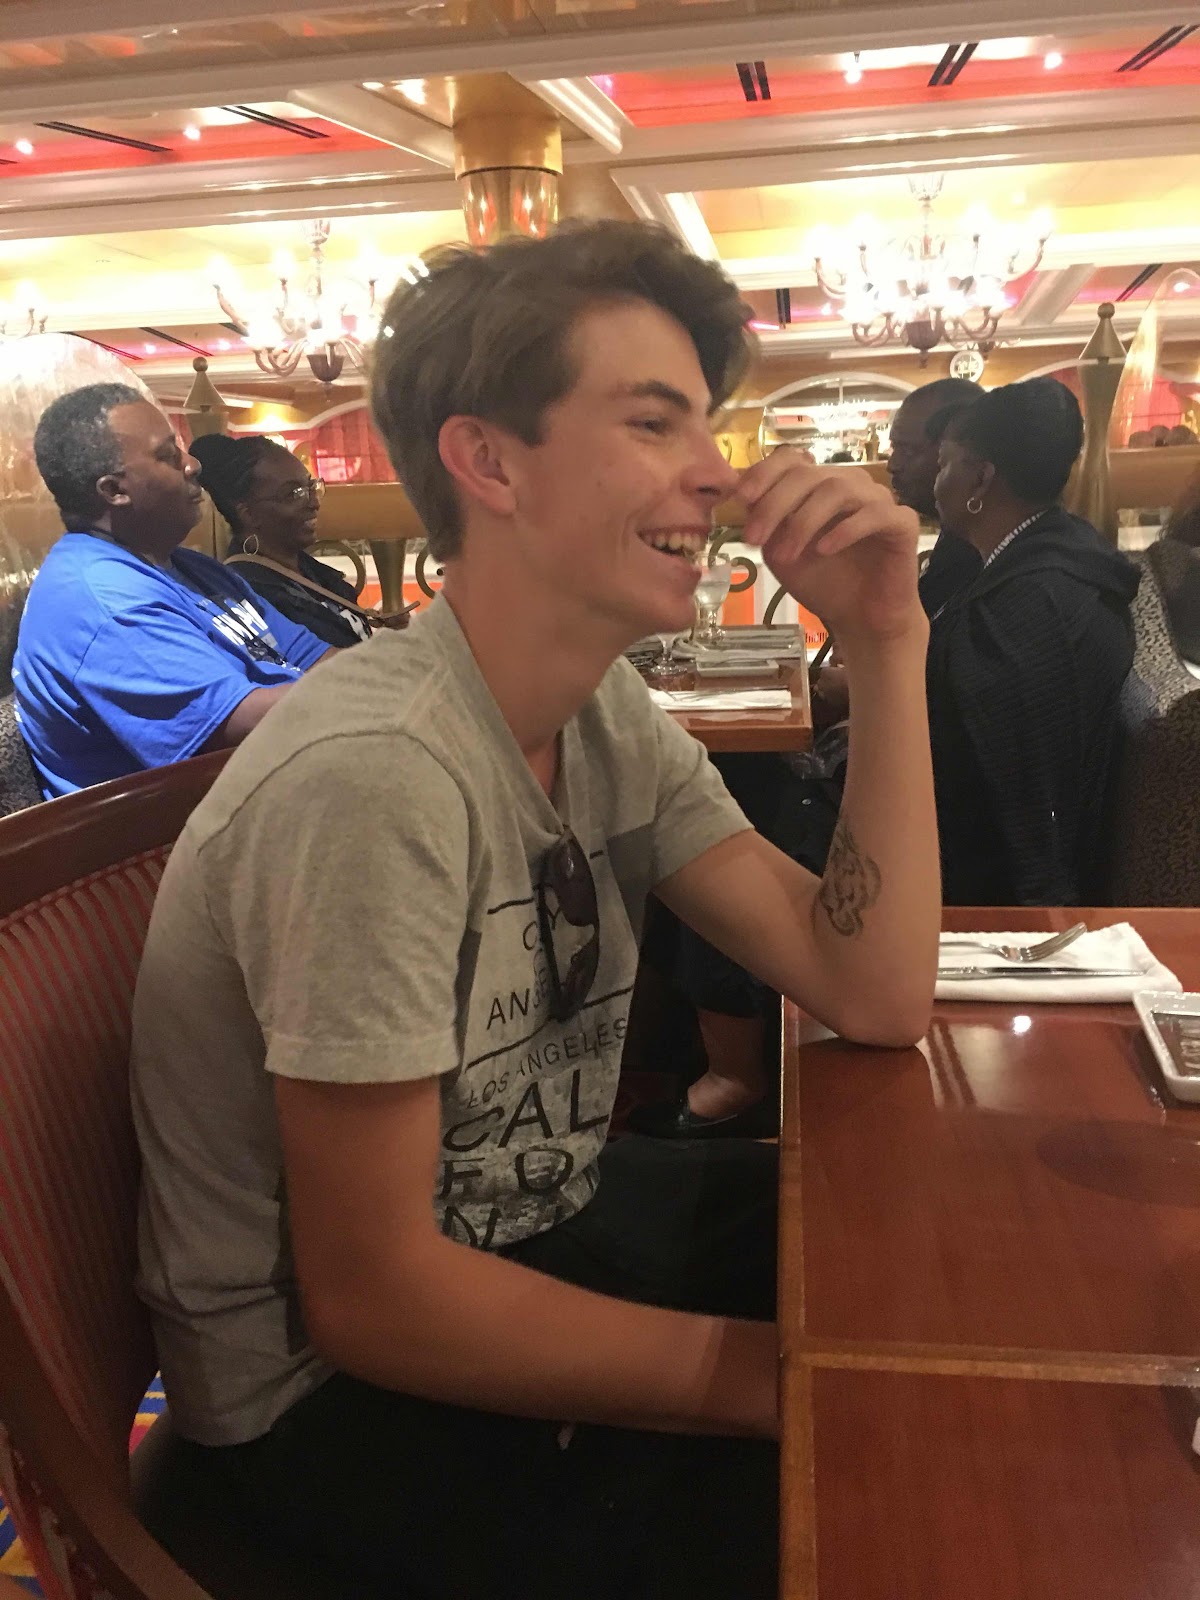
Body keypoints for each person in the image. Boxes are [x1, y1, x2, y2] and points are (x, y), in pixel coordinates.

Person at [130, 220, 939, 1600]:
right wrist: (787, 1382)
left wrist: (886, 638)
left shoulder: (602, 708)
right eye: (655, 422)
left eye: (707, 424)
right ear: (489, 462)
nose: (717, 471)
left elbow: (869, 987)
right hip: (322, 1410)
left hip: (533, 1217)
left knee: (901, 1243)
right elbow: (375, 1298)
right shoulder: (377, 775)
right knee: (901, 1497)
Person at [11, 385, 333, 799]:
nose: (193, 464)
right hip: (175, 830)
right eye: (168, 456)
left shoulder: (188, 567)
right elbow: (247, 730)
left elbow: (313, 656)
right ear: (114, 491)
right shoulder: (104, 602)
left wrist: (398, 669)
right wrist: (387, 683)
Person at [929, 377, 1139, 903]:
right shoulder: (1051, 557)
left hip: (975, 895)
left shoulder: (1025, 608)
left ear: (980, 478)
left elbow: (1016, 802)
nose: (935, 482)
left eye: (943, 464)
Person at [189, 431, 409, 649]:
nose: (314, 503)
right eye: (293, 494)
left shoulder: (309, 571)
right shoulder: (252, 597)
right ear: (249, 514)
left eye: (311, 486)